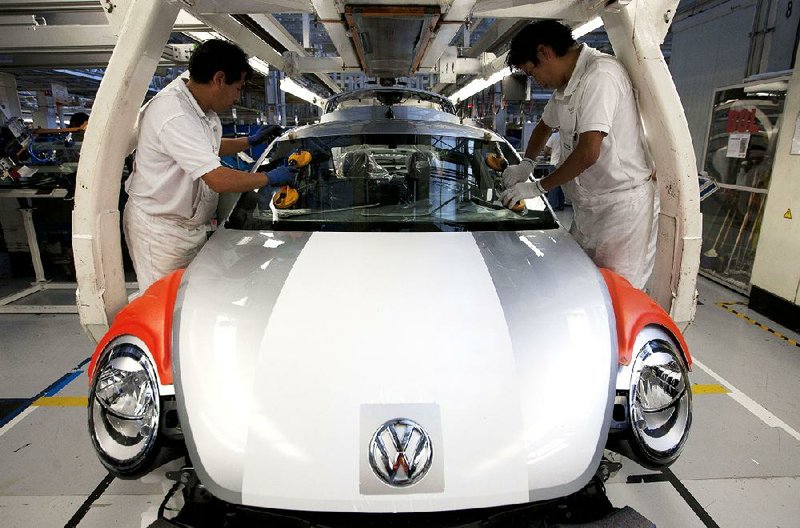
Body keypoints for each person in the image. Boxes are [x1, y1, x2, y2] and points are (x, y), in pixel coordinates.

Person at [123, 39, 293, 291]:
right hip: (162, 233)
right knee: (165, 302)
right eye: (238, 88)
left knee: (191, 300)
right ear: (219, 79)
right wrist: (269, 177)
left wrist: (249, 140)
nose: (237, 96)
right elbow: (217, 179)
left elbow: (206, 147)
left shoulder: (198, 105)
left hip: (188, 227)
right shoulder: (174, 114)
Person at [499, 20, 658, 290]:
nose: (536, 81)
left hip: (621, 210)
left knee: (617, 294)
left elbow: (588, 152)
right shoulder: (567, 86)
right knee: (586, 287)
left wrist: (537, 187)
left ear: (544, 53)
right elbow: (543, 126)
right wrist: (526, 163)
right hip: (590, 207)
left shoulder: (600, 76)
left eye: (532, 71)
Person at [541, 129, 565, 210]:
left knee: (552, 185)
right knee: (562, 186)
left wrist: (545, 155)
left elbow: (546, 149)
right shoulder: (568, 136)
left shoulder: (554, 136)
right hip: (565, 164)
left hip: (554, 163)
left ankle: (552, 206)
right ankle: (561, 205)